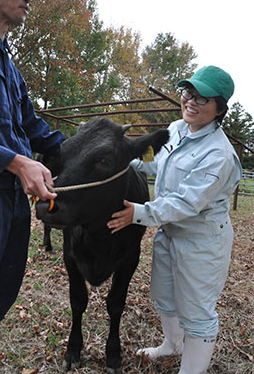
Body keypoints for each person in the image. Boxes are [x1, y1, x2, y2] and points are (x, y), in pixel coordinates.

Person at [107, 65, 242, 374]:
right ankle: (172, 344)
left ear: (220, 108)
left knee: (196, 311)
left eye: (202, 99)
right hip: (170, 232)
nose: (191, 102)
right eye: (188, 93)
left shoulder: (218, 154)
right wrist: (127, 159)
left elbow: (187, 202)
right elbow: (159, 161)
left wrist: (138, 214)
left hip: (201, 241)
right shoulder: (178, 128)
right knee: (164, 296)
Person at [0, 0, 65, 363]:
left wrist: (82, 149)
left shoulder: (7, 61)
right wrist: (14, 161)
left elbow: (32, 126)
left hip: (12, 200)